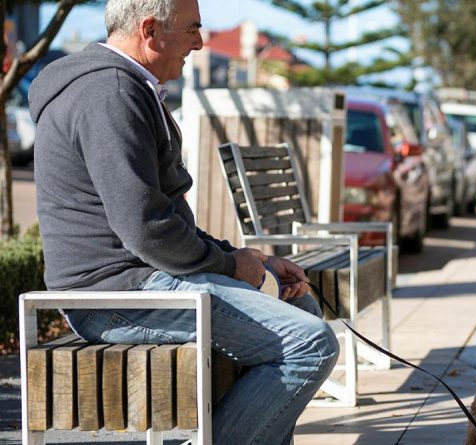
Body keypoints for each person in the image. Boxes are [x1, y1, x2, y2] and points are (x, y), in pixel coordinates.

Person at [28, 0, 338, 443]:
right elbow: (147, 229)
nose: (201, 42)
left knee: (298, 306)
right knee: (308, 344)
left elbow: (165, 220)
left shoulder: (124, 87)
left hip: (143, 280)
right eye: (193, 29)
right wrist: (233, 268)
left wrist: (247, 259)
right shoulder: (110, 93)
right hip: (114, 295)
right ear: (151, 30)